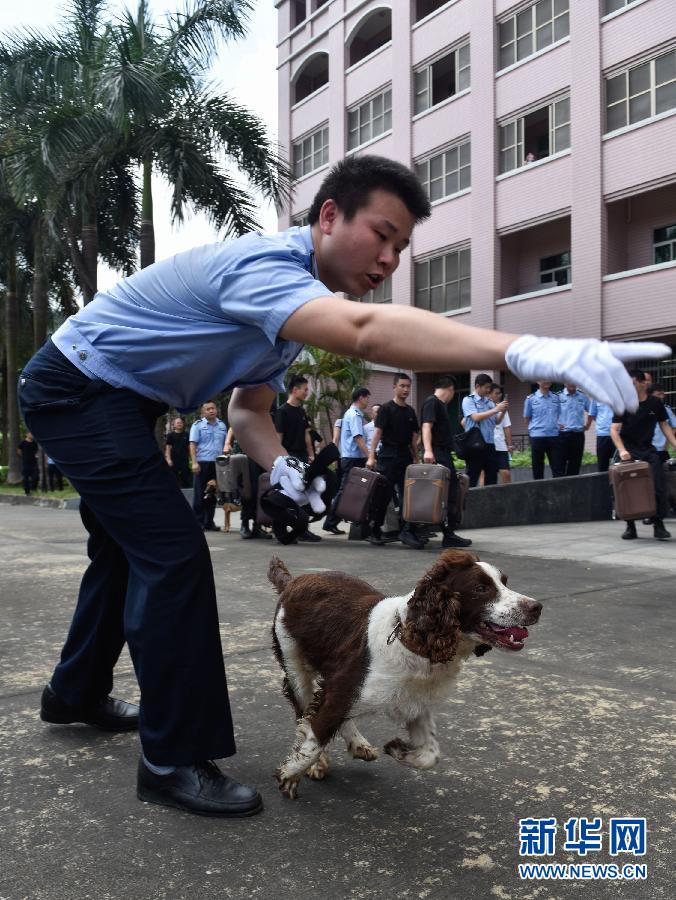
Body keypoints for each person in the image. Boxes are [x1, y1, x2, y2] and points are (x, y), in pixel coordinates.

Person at [17, 153, 666, 819]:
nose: (388, 258)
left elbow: (250, 410)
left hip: (122, 402)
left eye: (401, 246)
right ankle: (172, 758)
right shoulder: (265, 268)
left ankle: (76, 693)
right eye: (381, 235)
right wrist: (526, 349)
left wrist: (283, 468)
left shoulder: (290, 315)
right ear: (329, 216)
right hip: (80, 390)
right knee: (173, 555)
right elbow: (363, 331)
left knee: (126, 552)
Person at [611, 370, 676, 541]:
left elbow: (664, 425)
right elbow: (614, 430)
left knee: (658, 487)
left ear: (642, 384)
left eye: (632, 384)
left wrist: (675, 445)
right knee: (628, 489)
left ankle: (658, 525)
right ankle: (630, 527)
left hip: (648, 450)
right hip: (628, 451)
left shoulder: (655, 403)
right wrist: (622, 450)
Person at [366, 373, 424, 548]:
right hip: (388, 457)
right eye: (402, 386)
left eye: (408, 386)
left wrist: (416, 459)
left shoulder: (410, 411)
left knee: (409, 496)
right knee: (383, 496)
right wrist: (371, 456)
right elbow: (377, 434)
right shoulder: (386, 409)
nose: (406, 389)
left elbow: (414, 439)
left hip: (405, 457)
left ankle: (407, 531)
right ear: (395, 387)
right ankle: (375, 530)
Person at [421, 375, 472, 548]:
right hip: (436, 453)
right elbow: (426, 426)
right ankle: (445, 533)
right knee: (442, 494)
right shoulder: (432, 402)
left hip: (443, 453)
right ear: (451, 389)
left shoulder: (440, 405)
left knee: (450, 493)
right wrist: (428, 450)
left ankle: (448, 533)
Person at [274, 375, 320, 542]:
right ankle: (282, 531)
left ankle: (302, 529)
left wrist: (311, 455)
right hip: (288, 457)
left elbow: (307, 435)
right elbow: (278, 438)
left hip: (302, 457)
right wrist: (281, 460)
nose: (307, 392)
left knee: (305, 494)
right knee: (287, 495)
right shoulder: (282, 412)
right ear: (295, 390)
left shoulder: (301, 411)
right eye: (305, 389)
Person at [323, 386, 370, 534]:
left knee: (345, 491)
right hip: (353, 459)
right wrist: (369, 455)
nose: (368, 401)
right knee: (344, 491)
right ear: (361, 397)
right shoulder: (355, 414)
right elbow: (358, 437)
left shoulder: (349, 413)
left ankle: (332, 521)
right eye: (367, 397)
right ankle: (330, 522)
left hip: (349, 458)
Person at [461, 373, 506, 487]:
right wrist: (496, 409)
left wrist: (503, 410)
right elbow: (475, 417)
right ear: (477, 386)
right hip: (475, 444)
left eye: (489, 387)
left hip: (490, 444)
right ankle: (466, 502)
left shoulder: (489, 402)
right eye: (486, 387)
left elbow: (497, 421)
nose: (488, 390)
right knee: (472, 477)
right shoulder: (468, 400)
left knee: (491, 477)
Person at [189, 401, 228, 531]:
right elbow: (192, 445)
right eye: (208, 409)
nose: (211, 411)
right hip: (202, 463)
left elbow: (225, 445)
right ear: (203, 412)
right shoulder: (197, 425)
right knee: (200, 494)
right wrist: (194, 462)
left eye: (213, 408)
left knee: (212, 494)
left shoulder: (222, 426)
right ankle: (198, 522)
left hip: (218, 464)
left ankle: (209, 522)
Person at [524, 381, 564, 480]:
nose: (546, 381)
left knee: (558, 468)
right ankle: (539, 493)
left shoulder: (556, 398)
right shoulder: (531, 399)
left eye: (548, 378)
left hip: (554, 436)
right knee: (538, 469)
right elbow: (527, 418)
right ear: (537, 381)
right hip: (537, 437)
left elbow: (558, 414)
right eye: (543, 378)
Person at [557, 383, 592, 476]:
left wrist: (588, 425)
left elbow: (592, 411)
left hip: (578, 435)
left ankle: (573, 489)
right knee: (560, 464)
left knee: (575, 465)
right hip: (563, 435)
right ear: (564, 383)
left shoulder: (582, 396)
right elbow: (550, 412)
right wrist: (556, 425)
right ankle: (561, 488)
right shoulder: (558, 396)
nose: (572, 384)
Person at [489, 383, 513, 484]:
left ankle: (508, 497)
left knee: (506, 473)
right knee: (486, 475)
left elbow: (507, 428)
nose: (499, 395)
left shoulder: (503, 408)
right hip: (488, 445)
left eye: (500, 393)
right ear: (489, 394)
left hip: (501, 446)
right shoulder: (483, 407)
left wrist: (510, 445)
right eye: (496, 393)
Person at [648, 384, 676, 463]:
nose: (661, 397)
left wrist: (668, 442)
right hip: (647, 449)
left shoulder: (666, 409)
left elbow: (674, 426)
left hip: (662, 449)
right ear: (650, 395)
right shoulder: (643, 409)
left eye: (662, 394)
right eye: (658, 394)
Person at [588, 399, 615, 473]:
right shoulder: (596, 396)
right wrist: (602, 424)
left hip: (617, 435)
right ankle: (603, 484)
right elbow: (593, 415)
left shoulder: (618, 394)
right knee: (602, 465)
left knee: (619, 464)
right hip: (602, 435)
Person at [164, 417, 191, 487]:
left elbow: (190, 447)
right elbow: (168, 448)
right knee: (173, 478)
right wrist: (168, 459)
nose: (180, 424)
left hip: (184, 459)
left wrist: (193, 458)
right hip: (173, 459)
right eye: (178, 423)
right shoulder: (170, 435)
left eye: (181, 423)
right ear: (174, 425)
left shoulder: (186, 434)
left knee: (185, 476)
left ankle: (187, 493)